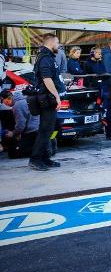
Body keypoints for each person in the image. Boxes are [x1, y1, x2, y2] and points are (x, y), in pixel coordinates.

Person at [30, 33, 62, 171]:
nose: (59, 45)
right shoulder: (45, 58)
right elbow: (47, 79)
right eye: (57, 43)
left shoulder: (47, 57)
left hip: (48, 97)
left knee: (48, 129)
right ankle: (35, 159)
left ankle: (44, 157)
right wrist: (57, 96)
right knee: (45, 129)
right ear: (51, 42)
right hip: (47, 98)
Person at [1, 90, 39, 158]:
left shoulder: (17, 105)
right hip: (37, 129)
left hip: (32, 132)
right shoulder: (24, 99)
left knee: (13, 154)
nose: (3, 103)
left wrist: (14, 133)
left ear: (6, 99)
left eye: (2, 101)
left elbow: (20, 125)